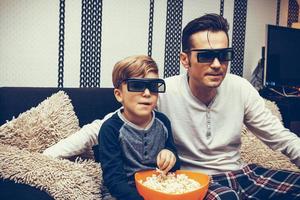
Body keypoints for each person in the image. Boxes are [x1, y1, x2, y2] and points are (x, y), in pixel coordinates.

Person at [44, 14, 300, 199]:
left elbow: (281, 138)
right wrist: (43, 158)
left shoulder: (241, 88)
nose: (217, 64)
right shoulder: (159, 91)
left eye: (224, 55)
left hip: (242, 173)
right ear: (185, 60)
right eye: (206, 56)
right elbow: (103, 127)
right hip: (199, 182)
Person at [98, 55, 180, 200]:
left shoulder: (163, 122)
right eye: (136, 85)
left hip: (159, 189)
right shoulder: (110, 129)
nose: (147, 93)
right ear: (119, 94)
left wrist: (170, 155)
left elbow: (175, 167)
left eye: (154, 86)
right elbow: (114, 181)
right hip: (122, 193)